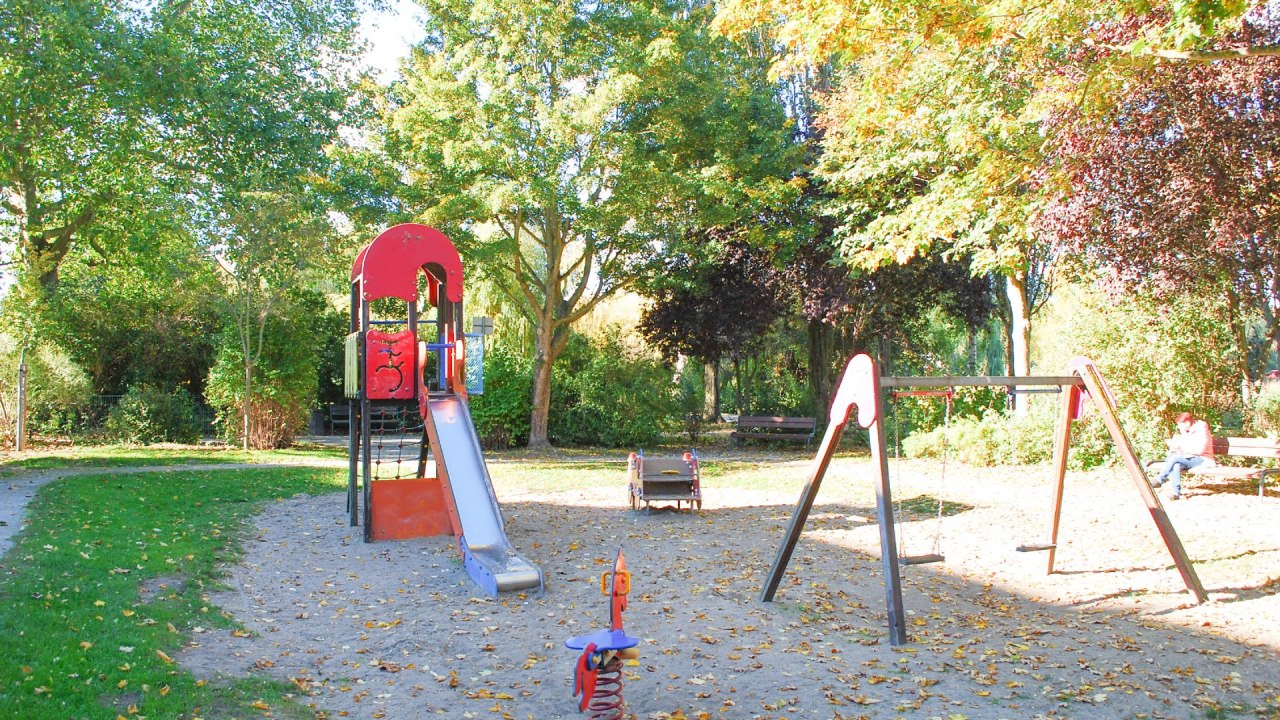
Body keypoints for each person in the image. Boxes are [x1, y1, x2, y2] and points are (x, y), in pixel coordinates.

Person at [1151, 412, 1215, 500]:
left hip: (1203, 458)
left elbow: (1200, 450)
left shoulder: (1202, 429)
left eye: (1180, 425)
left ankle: (1159, 479)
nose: (1179, 427)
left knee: (1176, 458)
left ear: (1187, 423)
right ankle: (1175, 493)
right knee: (1176, 464)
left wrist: (1182, 449)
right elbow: (1184, 447)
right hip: (1188, 457)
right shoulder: (1187, 431)